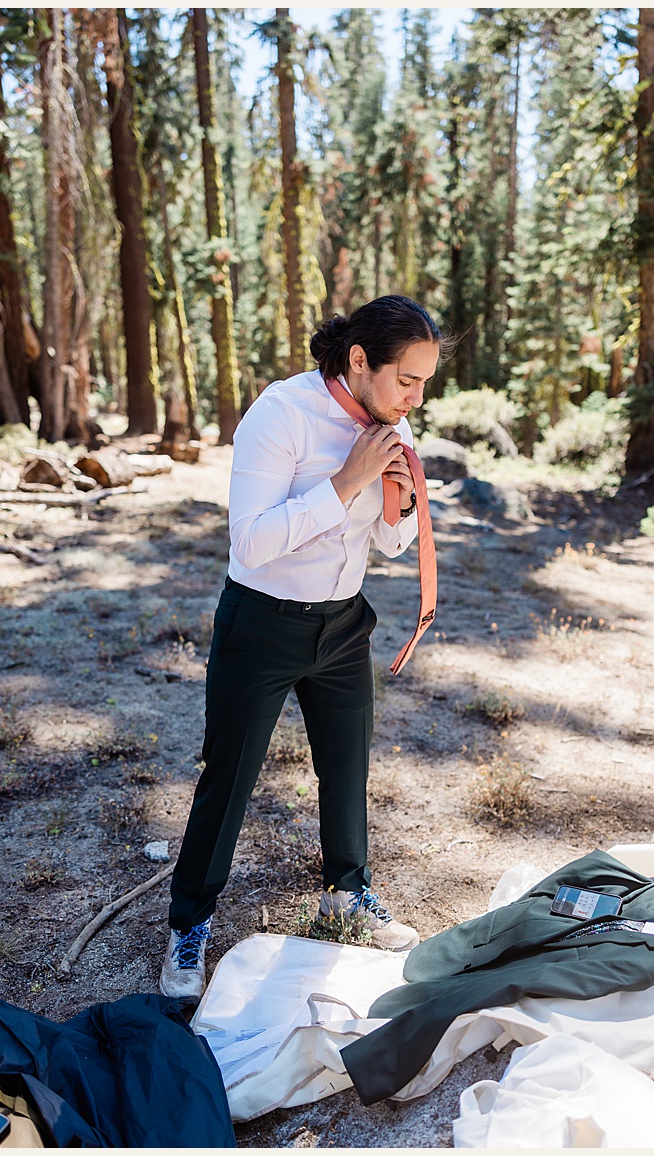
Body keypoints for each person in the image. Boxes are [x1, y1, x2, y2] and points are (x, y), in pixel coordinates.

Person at [160, 295, 443, 999]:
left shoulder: (392, 425)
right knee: (227, 779)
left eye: (423, 385)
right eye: (405, 380)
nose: (413, 398)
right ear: (358, 361)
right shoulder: (279, 415)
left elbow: (390, 541)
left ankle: (346, 894)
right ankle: (188, 927)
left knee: (347, 770)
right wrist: (346, 480)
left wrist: (396, 499)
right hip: (261, 623)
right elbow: (250, 540)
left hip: (344, 625)